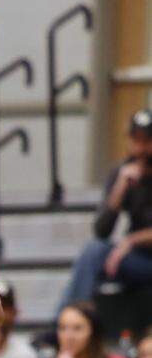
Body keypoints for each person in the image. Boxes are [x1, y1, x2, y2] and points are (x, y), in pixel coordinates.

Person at [58, 108, 152, 310]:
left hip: (141, 254)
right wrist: (120, 188)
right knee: (94, 251)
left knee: (98, 254)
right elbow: (102, 231)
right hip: (136, 260)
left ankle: (74, 320)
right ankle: (68, 322)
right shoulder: (123, 171)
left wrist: (131, 240)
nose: (141, 148)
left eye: (147, 141)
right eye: (136, 140)